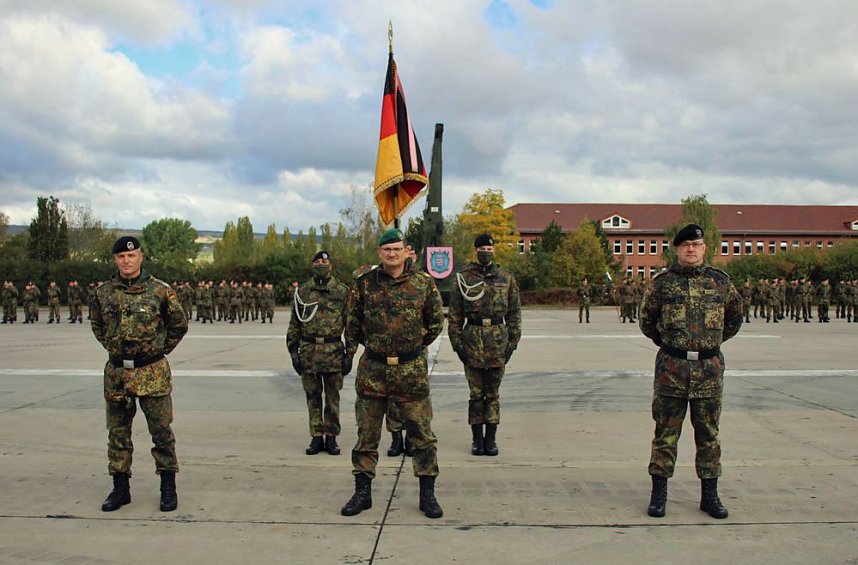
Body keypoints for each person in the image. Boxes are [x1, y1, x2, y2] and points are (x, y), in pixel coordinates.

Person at [639, 224, 743, 519]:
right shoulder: (662, 283)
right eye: (685, 245)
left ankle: (710, 496)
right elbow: (647, 321)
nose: (691, 250)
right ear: (677, 249)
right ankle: (659, 496)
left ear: (704, 248)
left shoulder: (720, 282)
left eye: (696, 245)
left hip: (708, 371)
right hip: (672, 370)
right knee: (665, 435)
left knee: (709, 435)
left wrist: (709, 345)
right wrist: (671, 345)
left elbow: (735, 319)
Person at [341, 228, 445, 519]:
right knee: (366, 435)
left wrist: (410, 346)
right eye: (387, 249)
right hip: (373, 371)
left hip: (410, 372)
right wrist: (375, 346)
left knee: (422, 435)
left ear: (405, 251)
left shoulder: (423, 283)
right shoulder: (364, 284)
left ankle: (427, 494)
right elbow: (352, 324)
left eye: (397, 249)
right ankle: (362, 493)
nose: (392, 254)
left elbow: (435, 323)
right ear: (379, 252)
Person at [90, 236, 189, 513]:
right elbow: (97, 325)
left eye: (131, 256)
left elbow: (178, 325)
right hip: (118, 374)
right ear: (115, 260)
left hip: (152, 372)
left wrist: (157, 351)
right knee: (118, 434)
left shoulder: (160, 291)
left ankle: (168, 487)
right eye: (121, 256)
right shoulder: (103, 293)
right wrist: (115, 349)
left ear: (140, 258)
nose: (126, 261)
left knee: (161, 432)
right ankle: (120, 488)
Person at [448, 234, 522, 456]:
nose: (486, 252)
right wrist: (457, 345)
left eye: (489, 249)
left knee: (493, 394)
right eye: (482, 249)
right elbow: (454, 315)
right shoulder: (464, 278)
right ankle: (476, 440)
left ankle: (491, 439)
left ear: (494, 250)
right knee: (475, 395)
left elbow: (514, 313)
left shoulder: (506, 278)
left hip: (498, 341)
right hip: (472, 341)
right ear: (475, 250)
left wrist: (513, 343)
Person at [287, 251, 356, 456]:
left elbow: (351, 325)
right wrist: (294, 354)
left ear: (331, 266)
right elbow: (295, 324)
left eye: (324, 261)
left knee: (333, 397)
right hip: (309, 352)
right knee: (312, 396)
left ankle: (331, 436)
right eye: (317, 261)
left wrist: (350, 354)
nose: (320, 264)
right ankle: (316, 436)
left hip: (333, 351)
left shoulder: (342, 291)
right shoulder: (302, 291)